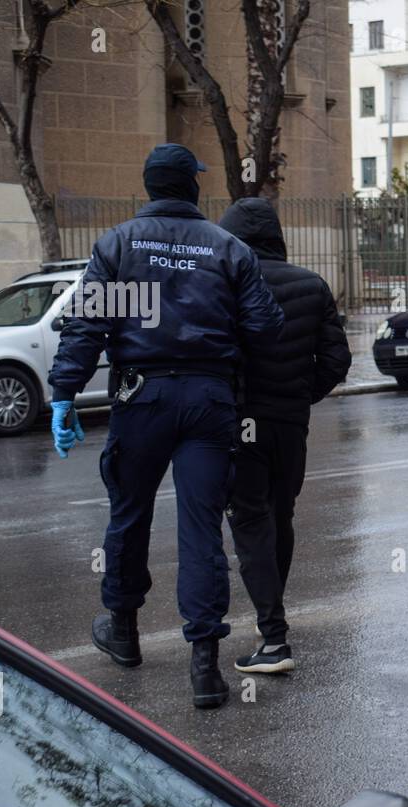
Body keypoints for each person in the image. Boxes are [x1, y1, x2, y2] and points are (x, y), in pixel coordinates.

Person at [48, 143, 285, 709]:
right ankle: (205, 666)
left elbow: (87, 326)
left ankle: (124, 631)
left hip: (141, 397)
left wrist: (63, 394)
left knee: (129, 514)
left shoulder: (119, 244)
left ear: (150, 188)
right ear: (191, 188)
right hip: (208, 398)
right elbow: (265, 328)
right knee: (201, 528)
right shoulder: (227, 248)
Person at [218, 197, 351, 673]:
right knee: (280, 515)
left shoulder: (228, 284)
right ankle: (269, 612)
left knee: (250, 521)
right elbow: (337, 361)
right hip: (291, 425)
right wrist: (298, 397)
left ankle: (274, 640)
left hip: (243, 421)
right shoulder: (311, 285)